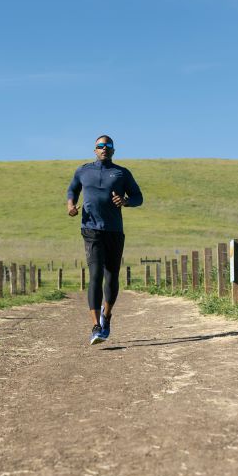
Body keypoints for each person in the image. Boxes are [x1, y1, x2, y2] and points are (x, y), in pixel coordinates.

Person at [66, 135, 143, 345]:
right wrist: (71, 206)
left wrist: (126, 201)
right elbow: (72, 189)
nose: (104, 148)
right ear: (94, 150)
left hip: (114, 231)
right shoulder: (83, 170)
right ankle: (96, 327)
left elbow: (138, 197)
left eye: (108, 146)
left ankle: (106, 316)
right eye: (100, 146)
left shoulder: (121, 173)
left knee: (111, 276)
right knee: (95, 274)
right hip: (91, 229)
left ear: (113, 150)